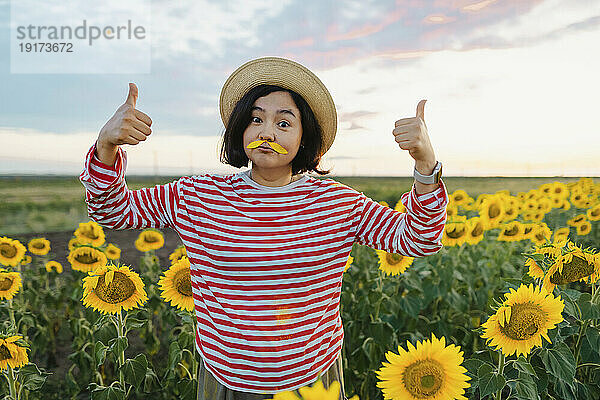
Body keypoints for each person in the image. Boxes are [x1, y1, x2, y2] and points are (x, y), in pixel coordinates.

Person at [79, 56, 448, 399]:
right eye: (256, 119)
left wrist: (425, 164)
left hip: (312, 379)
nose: (267, 132)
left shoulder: (337, 202)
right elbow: (113, 211)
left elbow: (419, 239)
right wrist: (106, 145)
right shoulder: (198, 195)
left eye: (284, 122)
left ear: (306, 137)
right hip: (227, 378)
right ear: (241, 128)